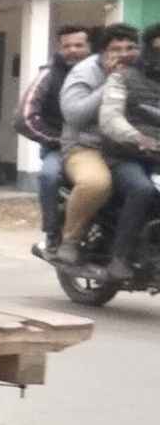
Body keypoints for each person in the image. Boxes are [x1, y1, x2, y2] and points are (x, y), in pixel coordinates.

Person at [55, 23, 148, 281]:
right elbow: (74, 115)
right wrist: (110, 82)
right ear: (101, 52)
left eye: (130, 48)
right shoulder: (85, 72)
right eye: (115, 49)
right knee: (96, 183)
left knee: (145, 188)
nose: (123, 54)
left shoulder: (144, 71)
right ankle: (70, 241)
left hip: (130, 148)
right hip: (86, 146)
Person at [19, 24, 94, 256]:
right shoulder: (49, 75)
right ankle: (52, 234)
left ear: (90, 47)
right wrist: (56, 140)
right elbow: (24, 118)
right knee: (49, 176)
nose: (72, 50)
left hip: (102, 146)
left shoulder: (104, 74)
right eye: (66, 46)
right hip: (60, 148)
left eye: (78, 45)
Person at [92, 22, 160, 276]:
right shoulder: (123, 77)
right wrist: (138, 137)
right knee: (141, 190)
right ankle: (119, 257)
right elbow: (110, 119)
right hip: (126, 155)